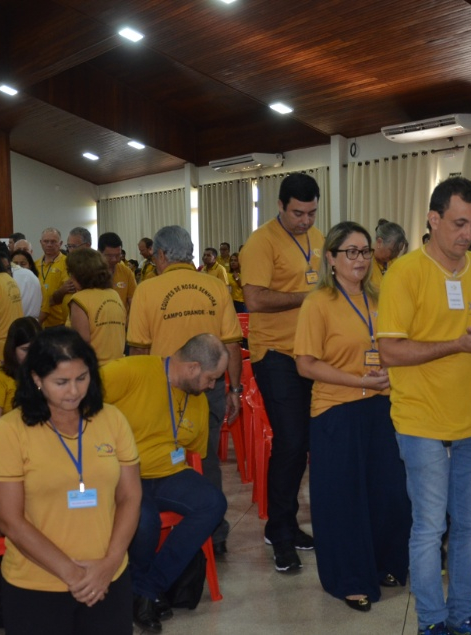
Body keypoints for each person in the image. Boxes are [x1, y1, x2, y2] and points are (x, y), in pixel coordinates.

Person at [377, 176, 471, 635]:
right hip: (421, 419)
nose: (467, 234)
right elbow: (391, 350)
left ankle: (463, 615)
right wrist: (456, 344)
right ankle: (432, 622)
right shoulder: (404, 273)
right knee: (429, 527)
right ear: (433, 219)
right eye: (458, 223)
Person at [0, 327, 141, 635]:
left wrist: (108, 564)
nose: (74, 391)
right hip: (37, 585)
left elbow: (130, 497)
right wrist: (74, 574)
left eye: (82, 378)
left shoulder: (112, 419)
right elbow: (10, 521)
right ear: (36, 380)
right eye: (61, 382)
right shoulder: (9, 431)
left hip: (107, 579)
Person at [293, 221, 410, 612]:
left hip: (382, 406)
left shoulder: (381, 298)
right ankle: (349, 579)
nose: (360, 259)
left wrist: (385, 378)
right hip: (337, 409)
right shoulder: (318, 303)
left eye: (364, 251)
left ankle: (384, 563)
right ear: (331, 258)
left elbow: (397, 347)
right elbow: (306, 365)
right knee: (343, 499)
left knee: (387, 492)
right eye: (350, 252)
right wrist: (358, 381)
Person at [100, 334, 228, 633]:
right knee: (145, 521)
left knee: (213, 504)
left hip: (168, 473)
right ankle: (143, 593)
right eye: (211, 379)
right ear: (193, 367)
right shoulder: (133, 371)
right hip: (123, 473)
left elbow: (193, 451)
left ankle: (145, 589)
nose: (212, 386)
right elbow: (80, 397)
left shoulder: (197, 399)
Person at [126, 225, 242, 554]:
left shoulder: (148, 290)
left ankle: (162, 532)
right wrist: (235, 388)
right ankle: (214, 533)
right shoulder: (215, 285)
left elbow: (137, 351)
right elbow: (232, 343)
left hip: (163, 390)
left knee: (159, 461)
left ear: (160, 255)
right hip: (210, 386)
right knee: (206, 459)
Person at [239, 172, 325, 571]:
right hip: (273, 353)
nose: (305, 221)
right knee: (290, 441)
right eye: (297, 213)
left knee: (304, 442)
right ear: (280, 205)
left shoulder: (319, 238)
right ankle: (278, 530)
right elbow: (254, 299)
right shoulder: (261, 242)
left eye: (310, 213)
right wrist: (305, 299)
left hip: (310, 353)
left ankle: (288, 522)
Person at [66, 248, 126, 365]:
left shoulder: (79, 299)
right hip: (119, 366)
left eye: (71, 273)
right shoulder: (114, 294)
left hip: (95, 369)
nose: (70, 278)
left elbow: (82, 342)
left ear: (79, 274)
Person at [0, 316, 41, 430]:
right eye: (25, 350)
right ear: (12, 349)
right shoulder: (1, 377)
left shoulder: (50, 374)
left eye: (37, 349)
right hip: (14, 437)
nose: (32, 355)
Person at [38, 228, 72, 327]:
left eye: (53, 241)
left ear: (60, 243)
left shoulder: (67, 262)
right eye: (46, 241)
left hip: (60, 321)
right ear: (41, 242)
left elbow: (68, 288)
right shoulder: (35, 264)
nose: (49, 244)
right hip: (40, 322)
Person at [99, 232, 138, 313]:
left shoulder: (126, 272)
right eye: (109, 256)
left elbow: (133, 300)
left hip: (121, 323)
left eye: (117, 255)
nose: (114, 259)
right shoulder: (90, 273)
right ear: (99, 252)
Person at [369, 219, 408, 292]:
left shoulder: (395, 261)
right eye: (392, 250)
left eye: (397, 252)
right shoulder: (365, 261)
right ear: (379, 242)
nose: (393, 256)